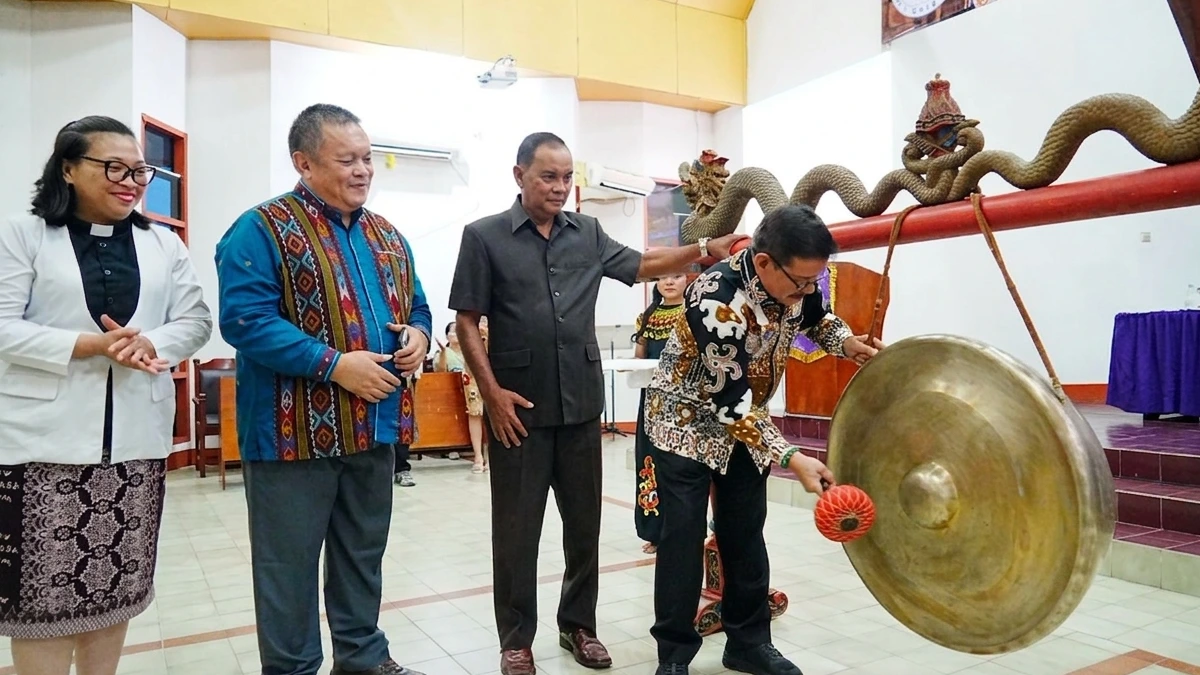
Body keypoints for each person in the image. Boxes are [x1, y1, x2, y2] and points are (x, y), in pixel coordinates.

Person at [448, 131, 744, 675]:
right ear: (519, 176)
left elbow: (643, 265)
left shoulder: (587, 233)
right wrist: (490, 395)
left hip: (582, 407)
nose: (560, 187)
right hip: (518, 411)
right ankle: (516, 639)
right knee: (516, 532)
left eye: (566, 177)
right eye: (548, 177)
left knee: (583, 527)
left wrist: (703, 250)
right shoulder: (484, 237)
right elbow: (466, 320)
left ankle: (578, 626)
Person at [215, 103, 431, 675]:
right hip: (292, 438)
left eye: (367, 159)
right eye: (346, 160)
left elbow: (419, 306)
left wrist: (418, 337)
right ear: (303, 162)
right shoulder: (261, 229)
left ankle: (362, 659)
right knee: (288, 568)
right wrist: (334, 365)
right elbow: (245, 320)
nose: (362, 171)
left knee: (362, 557)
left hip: (375, 429)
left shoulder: (388, 236)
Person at [0, 116, 212, 675]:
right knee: (40, 603)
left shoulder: (161, 243)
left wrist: (149, 342)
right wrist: (90, 345)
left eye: (140, 170)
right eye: (113, 167)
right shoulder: (22, 236)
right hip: (42, 448)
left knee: (114, 588)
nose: (132, 180)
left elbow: (194, 321)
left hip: (135, 446)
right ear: (68, 169)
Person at [643, 205, 884, 675]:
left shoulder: (801, 284)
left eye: (814, 281)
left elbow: (818, 317)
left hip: (743, 427)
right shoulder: (715, 298)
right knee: (682, 540)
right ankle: (673, 656)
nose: (806, 292)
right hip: (683, 425)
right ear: (764, 262)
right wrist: (792, 457)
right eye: (799, 282)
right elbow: (731, 402)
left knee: (745, 535)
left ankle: (748, 644)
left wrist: (846, 342)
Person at [631, 274, 687, 554]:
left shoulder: (693, 313)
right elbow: (638, 359)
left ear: (687, 280)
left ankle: (682, 532)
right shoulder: (647, 316)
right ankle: (653, 531)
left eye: (676, 276)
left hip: (683, 404)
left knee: (678, 467)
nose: (669, 282)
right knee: (650, 460)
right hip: (651, 401)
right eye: (663, 276)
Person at [433, 321, 489, 473]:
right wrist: (444, 352)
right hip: (469, 380)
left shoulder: (480, 339)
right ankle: (478, 456)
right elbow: (440, 371)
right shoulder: (447, 351)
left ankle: (489, 457)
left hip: (486, 376)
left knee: (490, 415)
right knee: (475, 414)